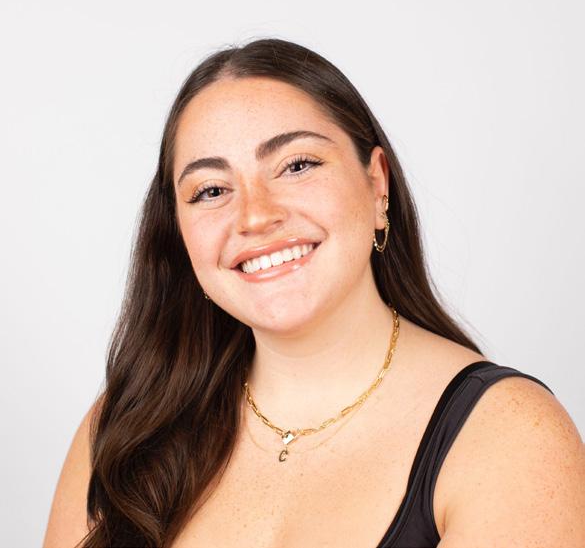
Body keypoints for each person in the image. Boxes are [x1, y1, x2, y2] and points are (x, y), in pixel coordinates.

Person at [43, 38, 585, 548]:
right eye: (211, 190)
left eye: (297, 165)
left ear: (377, 183)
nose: (256, 216)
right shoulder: (124, 428)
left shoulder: (511, 435)